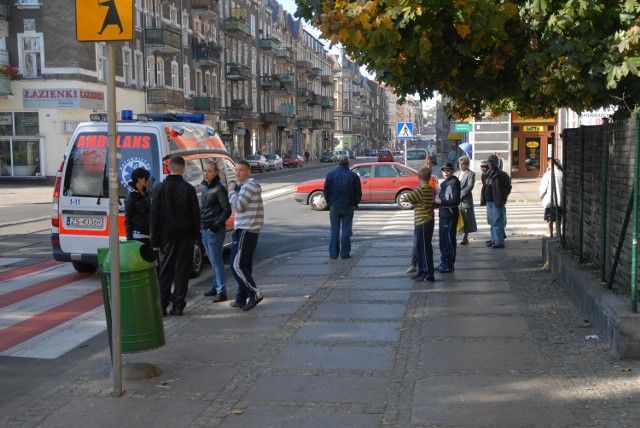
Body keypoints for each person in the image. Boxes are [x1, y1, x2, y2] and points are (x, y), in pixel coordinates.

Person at [150, 156, 201, 316]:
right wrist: (195, 236)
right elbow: (195, 215)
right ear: (183, 169)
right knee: (182, 271)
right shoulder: (188, 189)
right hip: (185, 235)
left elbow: (154, 216)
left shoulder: (159, 188)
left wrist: (154, 239)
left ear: (168, 169)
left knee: (165, 272)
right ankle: (178, 306)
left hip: (166, 236)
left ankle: (162, 307)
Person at [228, 160, 265, 311]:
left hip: (246, 229)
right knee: (244, 266)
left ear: (248, 172)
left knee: (236, 265)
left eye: (241, 170)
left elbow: (238, 205)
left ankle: (254, 293)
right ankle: (240, 298)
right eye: (236, 170)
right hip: (248, 230)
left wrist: (231, 191)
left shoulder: (249, 185)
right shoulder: (248, 185)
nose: (237, 172)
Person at [200, 161, 232, 302]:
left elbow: (227, 210)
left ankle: (221, 290)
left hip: (214, 230)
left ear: (216, 172)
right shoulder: (205, 186)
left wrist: (215, 226)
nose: (206, 173)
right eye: (205, 171)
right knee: (212, 260)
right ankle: (216, 286)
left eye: (209, 171)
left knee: (216, 260)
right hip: (205, 228)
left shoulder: (219, 188)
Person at [323, 155, 362, 259]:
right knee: (346, 230)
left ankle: (333, 254)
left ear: (338, 162)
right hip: (348, 206)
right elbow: (358, 192)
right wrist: (355, 203)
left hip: (335, 206)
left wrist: (329, 202)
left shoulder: (331, 174)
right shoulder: (353, 175)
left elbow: (326, 191)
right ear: (348, 163)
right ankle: (345, 253)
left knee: (334, 230)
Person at [403, 167, 436, 282]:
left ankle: (428, 274)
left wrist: (414, 199)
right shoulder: (430, 189)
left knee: (424, 249)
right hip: (428, 220)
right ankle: (421, 271)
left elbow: (407, 198)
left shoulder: (421, 190)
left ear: (419, 178)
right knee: (423, 248)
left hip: (422, 221)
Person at [480, 154, 512, 249]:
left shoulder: (502, 174)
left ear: (496, 163)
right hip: (489, 200)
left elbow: (508, 188)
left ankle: (499, 241)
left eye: (492, 161)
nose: (490, 163)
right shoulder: (487, 174)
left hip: (497, 201)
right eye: (489, 162)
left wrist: (503, 197)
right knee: (491, 221)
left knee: (497, 221)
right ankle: (494, 239)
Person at [435, 162, 461, 272]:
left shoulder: (454, 182)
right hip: (443, 214)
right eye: (444, 170)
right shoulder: (444, 183)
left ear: (452, 170)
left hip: (450, 215)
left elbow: (455, 201)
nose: (446, 172)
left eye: (448, 170)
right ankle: (444, 261)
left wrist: (442, 202)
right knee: (443, 240)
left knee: (449, 240)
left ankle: (449, 263)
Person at [124, 167, 153, 246]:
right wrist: (129, 238)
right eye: (146, 178)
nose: (149, 180)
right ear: (140, 180)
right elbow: (128, 218)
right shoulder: (131, 197)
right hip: (138, 235)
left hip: (150, 234)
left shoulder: (148, 193)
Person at [454, 156, 477, 245]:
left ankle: (465, 237)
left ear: (467, 165)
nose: (461, 166)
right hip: (456, 201)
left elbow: (469, 186)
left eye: (463, 164)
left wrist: (460, 195)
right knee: (457, 219)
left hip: (465, 200)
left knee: (467, 219)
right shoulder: (456, 174)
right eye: (460, 164)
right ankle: (456, 235)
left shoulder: (471, 174)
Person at [539, 158, 563, 237]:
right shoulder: (562, 173)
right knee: (558, 217)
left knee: (549, 217)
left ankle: (550, 233)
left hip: (549, 199)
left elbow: (543, 187)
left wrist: (542, 196)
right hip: (560, 199)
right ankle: (558, 232)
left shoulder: (548, 174)